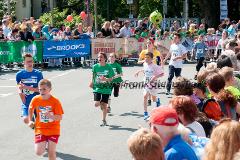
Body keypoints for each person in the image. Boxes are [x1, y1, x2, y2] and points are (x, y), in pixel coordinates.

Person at [28, 79, 64, 160]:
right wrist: (30, 120)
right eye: (40, 89)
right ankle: (45, 142)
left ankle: (49, 144)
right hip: (40, 129)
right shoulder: (35, 99)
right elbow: (30, 109)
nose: (42, 91)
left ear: (50, 89)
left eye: (44, 89)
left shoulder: (55, 101)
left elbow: (60, 117)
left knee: (51, 152)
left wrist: (50, 116)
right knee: (39, 152)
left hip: (53, 129)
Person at [16, 53, 43, 125]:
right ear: (24, 62)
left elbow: (40, 90)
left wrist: (26, 87)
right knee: (26, 120)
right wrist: (20, 93)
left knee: (40, 122)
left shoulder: (38, 74)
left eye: (31, 61)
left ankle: (38, 131)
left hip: (37, 102)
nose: (30, 63)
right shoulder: (19, 74)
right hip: (27, 102)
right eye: (28, 61)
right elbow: (19, 86)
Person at [135, 52, 164, 120]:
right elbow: (145, 69)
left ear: (152, 58)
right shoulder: (145, 64)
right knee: (145, 96)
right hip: (146, 83)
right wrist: (138, 71)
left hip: (153, 84)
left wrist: (155, 77)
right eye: (145, 57)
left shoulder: (155, 66)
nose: (146, 59)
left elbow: (162, 74)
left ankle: (157, 100)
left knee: (154, 99)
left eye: (148, 57)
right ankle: (145, 113)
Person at [89, 52, 115, 126]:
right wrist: (92, 82)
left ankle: (104, 120)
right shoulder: (95, 66)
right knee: (96, 104)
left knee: (104, 106)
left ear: (105, 59)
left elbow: (111, 78)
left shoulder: (109, 67)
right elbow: (93, 75)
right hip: (97, 88)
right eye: (98, 57)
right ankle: (103, 105)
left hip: (106, 89)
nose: (99, 59)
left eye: (101, 57)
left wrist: (105, 79)